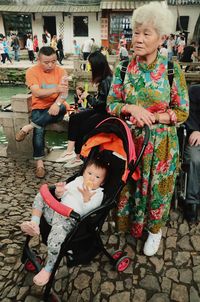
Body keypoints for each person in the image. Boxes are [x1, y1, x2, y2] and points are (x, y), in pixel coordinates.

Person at [107, 2, 189, 256]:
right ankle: (131, 227)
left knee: (157, 192)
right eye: (136, 32)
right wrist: (132, 109)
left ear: (162, 38)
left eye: (147, 33)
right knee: (128, 188)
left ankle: (154, 231)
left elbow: (183, 111)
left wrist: (155, 117)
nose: (138, 39)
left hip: (162, 146)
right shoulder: (123, 68)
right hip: (129, 142)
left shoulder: (172, 70)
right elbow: (111, 104)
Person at [20, 157, 109, 286]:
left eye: (97, 177)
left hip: (69, 220)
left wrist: (86, 199)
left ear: (102, 182)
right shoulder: (77, 180)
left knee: (55, 239)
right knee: (42, 195)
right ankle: (34, 223)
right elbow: (62, 195)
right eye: (89, 173)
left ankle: (49, 268)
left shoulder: (98, 194)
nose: (91, 178)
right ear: (84, 172)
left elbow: (87, 214)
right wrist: (59, 192)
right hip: (57, 210)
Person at [15, 46, 69, 178]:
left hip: (57, 107)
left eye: (54, 61)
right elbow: (37, 92)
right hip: (39, 107)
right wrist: (57, 88)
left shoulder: (62, 71)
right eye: (46, 62)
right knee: (39, 129)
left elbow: (65, 93)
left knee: (62, 107)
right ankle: (39, 165)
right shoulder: (31, 72)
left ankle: (29, 126)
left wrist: (56, 104)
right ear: (38, 59)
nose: (51, 65)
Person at [56, 51, 113, 167]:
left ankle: (78, 156)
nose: (89, 68)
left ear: (97, 65)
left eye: (91, 65)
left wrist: (88, 96)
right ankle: (70, 152)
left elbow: (101, 105)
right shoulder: (105, 78)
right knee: (75, 118)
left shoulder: (106, 80)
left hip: (105, 113)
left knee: (82, 126)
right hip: (100, 111)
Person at [183, 85, 200, 223]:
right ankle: (192, 201)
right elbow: (189, 114)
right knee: (195, 160)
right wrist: (195, 130)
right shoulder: (194, 91)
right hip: (196, 136)